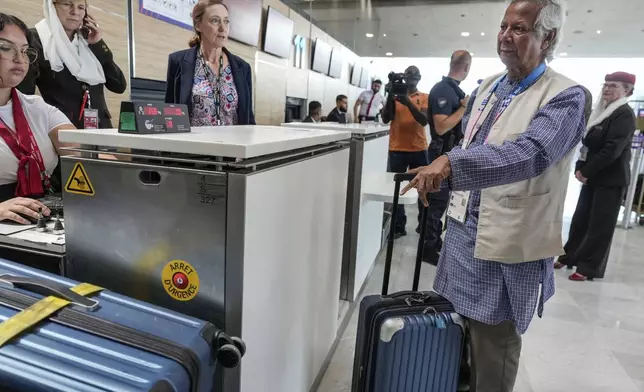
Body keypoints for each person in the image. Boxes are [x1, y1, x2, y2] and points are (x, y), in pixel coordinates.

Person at [401, 1, 588, 390]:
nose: (505, 36)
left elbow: (530, 153)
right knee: (456, 337)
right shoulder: (488, 86)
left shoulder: (567, 96)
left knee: (493, 349)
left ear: (547, 37)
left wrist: (451, 165)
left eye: (519, 29)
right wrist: (442, 177)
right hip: (462, 236)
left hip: (506, 245)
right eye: (503, 26)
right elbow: (471, 143)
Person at [555, 72, 637, 281]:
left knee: (600, 225)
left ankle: (590, 267)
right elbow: (587, 144)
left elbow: (612, 150)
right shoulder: (601, 112)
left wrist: (587, 170)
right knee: (580, 219)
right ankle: (569, 256)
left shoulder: (624, 114)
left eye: (614, 86)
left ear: (626, 90)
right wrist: (580, 167)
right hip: (593, 176)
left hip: (611, 179)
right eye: (606, 85)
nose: (607, 89)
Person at [0, 13, 76, 202]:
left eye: (25, 51)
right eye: (5, 48)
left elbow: (81, 151)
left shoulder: (38, 107)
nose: (20, 59)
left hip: (37, 217)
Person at [18, 0, 126, 129]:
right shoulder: (36, 39)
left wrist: (98, 44)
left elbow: (119, 86)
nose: (75, 12)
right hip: (63, 131)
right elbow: (23, 96)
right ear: (52, 6)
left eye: (81, 7)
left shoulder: (89, 39)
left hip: (101, 130)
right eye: (67, 4)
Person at [165, 0, 255, 126]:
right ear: (198, 25)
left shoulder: (243, 67)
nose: (223, 28)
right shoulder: (178, 61)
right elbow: (169, 114)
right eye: (215, 20)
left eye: (226, 21)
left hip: (233, 144)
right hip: (194, 144)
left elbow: (248, 119)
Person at [422, 50, 472, 265]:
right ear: (467, 67)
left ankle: (433, 242)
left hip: (448, 153)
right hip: (439, 152)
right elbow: (441, 127)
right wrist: (464, 109)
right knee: (435, 204)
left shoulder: (454, 90)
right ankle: (427, 248)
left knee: (440, 204)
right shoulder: (443, 89)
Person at [382, 66, 429, 239]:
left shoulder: (424, 97)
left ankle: (422, 226)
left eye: (415, 75)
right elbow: (386, 118)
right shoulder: (394, 98)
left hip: (418, 149)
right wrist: (390, 96)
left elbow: (423, 120)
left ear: (420, 78)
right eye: (409, 75)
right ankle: (398, 226)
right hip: (397, 149)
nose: (412, 78)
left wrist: (407, 101)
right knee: (397, 190)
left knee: (422, 188)